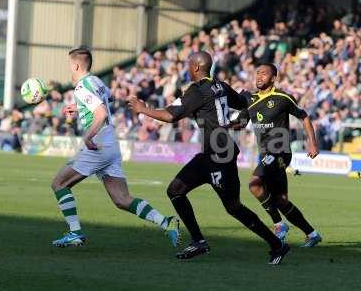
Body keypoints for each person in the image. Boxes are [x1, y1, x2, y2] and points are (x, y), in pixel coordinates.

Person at [128, 51, 289, 265]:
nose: (186, 67)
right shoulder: (219, 85)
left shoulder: (197, 90)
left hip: (219, 156)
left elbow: (171, 116)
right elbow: (242, 101)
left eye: (188, 64)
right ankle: (198, 241)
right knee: (175, 190)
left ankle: (277, 245)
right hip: (211, 154)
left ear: (195, 67)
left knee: (234, 207)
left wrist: (143, 109)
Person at [51, 47, 180, 248]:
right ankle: (167, 223)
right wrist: (80, 107)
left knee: (59, 184)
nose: (69, 68)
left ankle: (75, 233)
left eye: (69, 64)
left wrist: (88, 135)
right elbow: (108, 99)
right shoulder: (97, 81)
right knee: (121, 199)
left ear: (76, 65)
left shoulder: (81, 87)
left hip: (99, 143)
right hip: (111, 142)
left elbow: (101, 113)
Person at [229, 63, 322, 247]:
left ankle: (279, 225)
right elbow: (241, 123)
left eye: (264, 74)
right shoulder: (251, 100)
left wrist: (312, 142)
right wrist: (223, 125)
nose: (259, 77)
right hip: (264, 154)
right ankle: (312, 234)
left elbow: (303, 116)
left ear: (273, 78)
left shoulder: (282, 97)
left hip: (280, 152)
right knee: (280, 200)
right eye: (257, 73)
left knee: (254, 184)